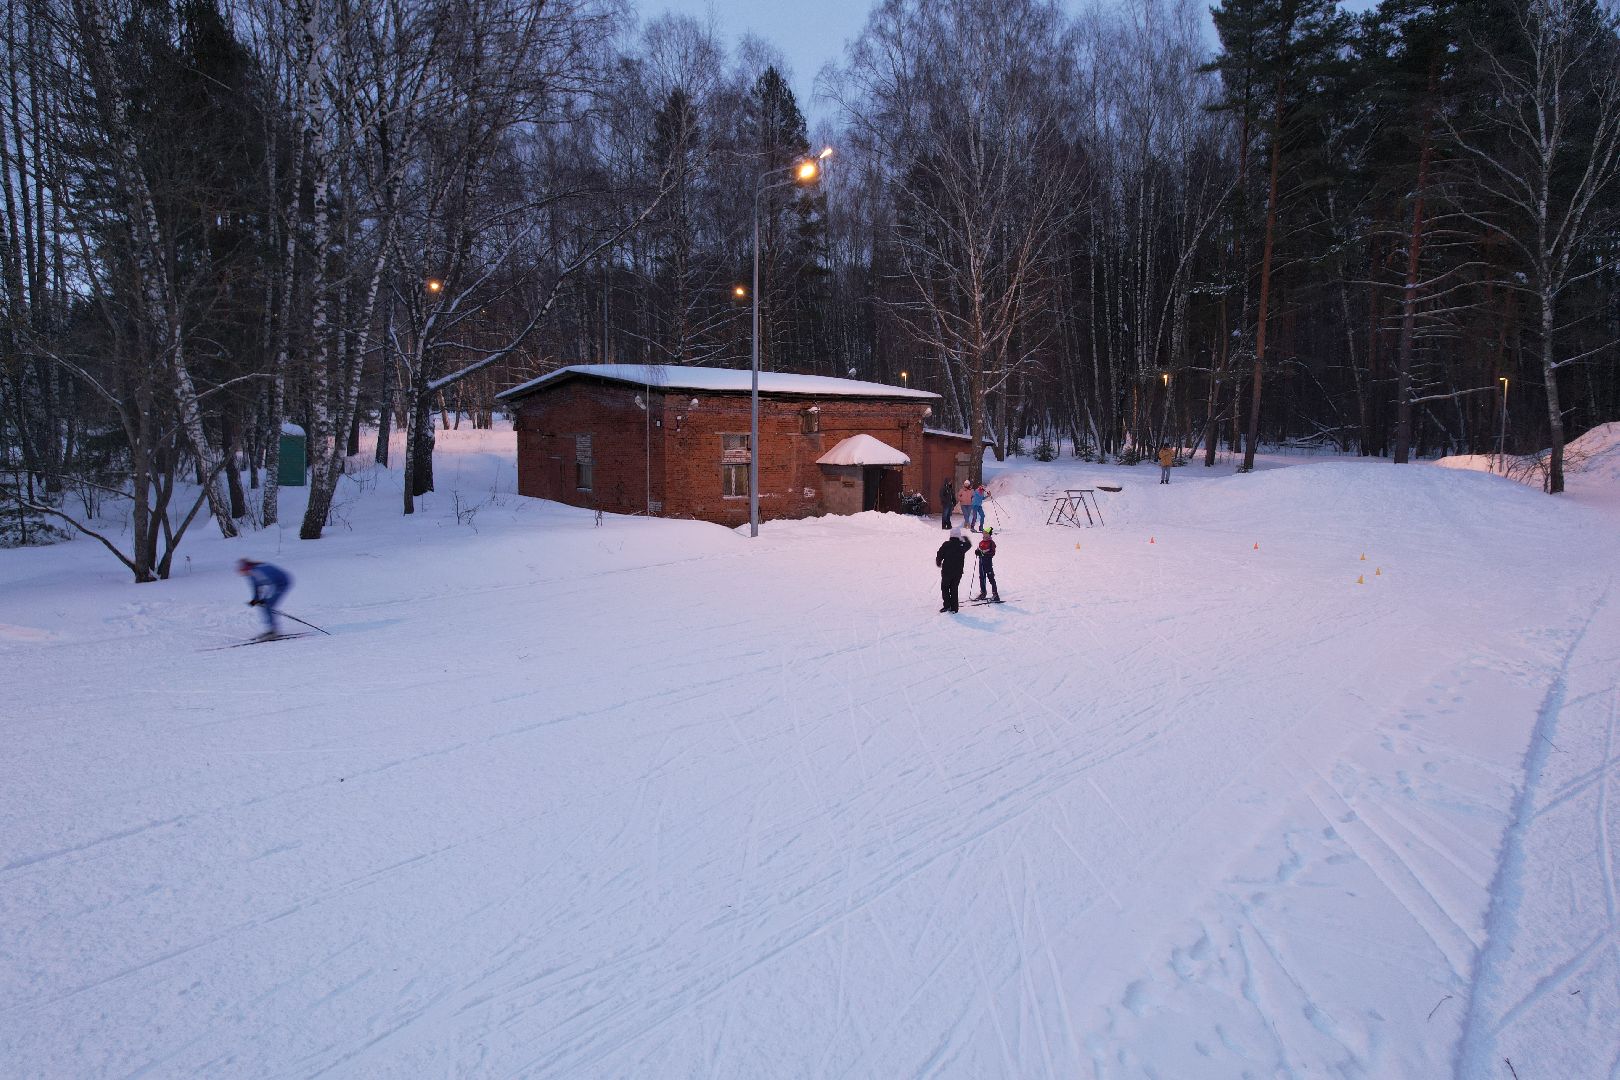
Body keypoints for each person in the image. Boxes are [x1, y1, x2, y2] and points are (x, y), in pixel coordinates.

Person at [238, 558, 292, 639]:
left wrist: (266, 599)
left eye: (242, 571)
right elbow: (255, 586)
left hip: (282, 583)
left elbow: (272, 584)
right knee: (265, 606)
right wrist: (256, 599)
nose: (242, 574)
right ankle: (271, 630)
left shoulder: (261, 570)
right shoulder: (251, 574)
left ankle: (273, 631)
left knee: (268, 605)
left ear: (246, 568)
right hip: (274, 585)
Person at [935, 526, 971, 613]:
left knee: (945, 587)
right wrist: (964, 537)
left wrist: (938, 562)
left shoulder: (946, 544)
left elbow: (940, 554)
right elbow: (969, 544)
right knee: (954, 588)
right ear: (958, 536)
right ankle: (954, 608)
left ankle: (947, 605)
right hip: (958, 572)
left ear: (950, 535)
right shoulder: (962, 546)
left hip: (947, 571)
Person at [974, 526, 1001, 602]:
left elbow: (992, 553)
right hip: (981, 563)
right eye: (983, 533)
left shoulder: (991, 543)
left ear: (989, 534)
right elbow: (979, 550)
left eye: (986, 533)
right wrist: (977, 552)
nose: (984, 534)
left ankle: (995, 595)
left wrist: (982, 553)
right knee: (982, 578)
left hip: (988, 563)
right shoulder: (981, 542)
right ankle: (983, 593)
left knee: (991, 578)